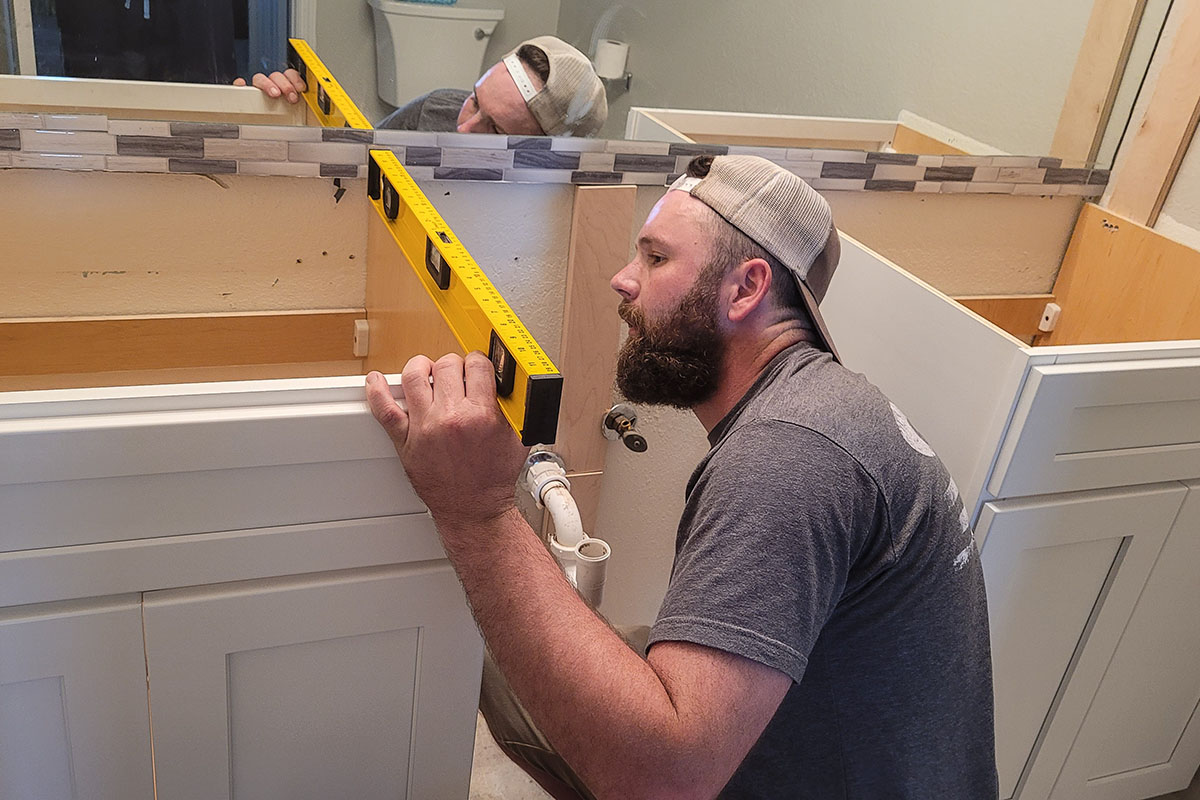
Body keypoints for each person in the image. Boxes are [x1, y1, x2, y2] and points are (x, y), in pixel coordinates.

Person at [364, 154, 999, 798]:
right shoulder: (822, 408)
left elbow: (665, 781)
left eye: (655, 258)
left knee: (509, 662)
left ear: (746, 289)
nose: (621, 279)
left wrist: (477, 510)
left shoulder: (788, 455)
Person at [237, 35, 606, 137]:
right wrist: (279, 117)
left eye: (494, 128)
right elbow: (355, 162)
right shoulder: (438, 109)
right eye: (475, 101)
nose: (463, 127)